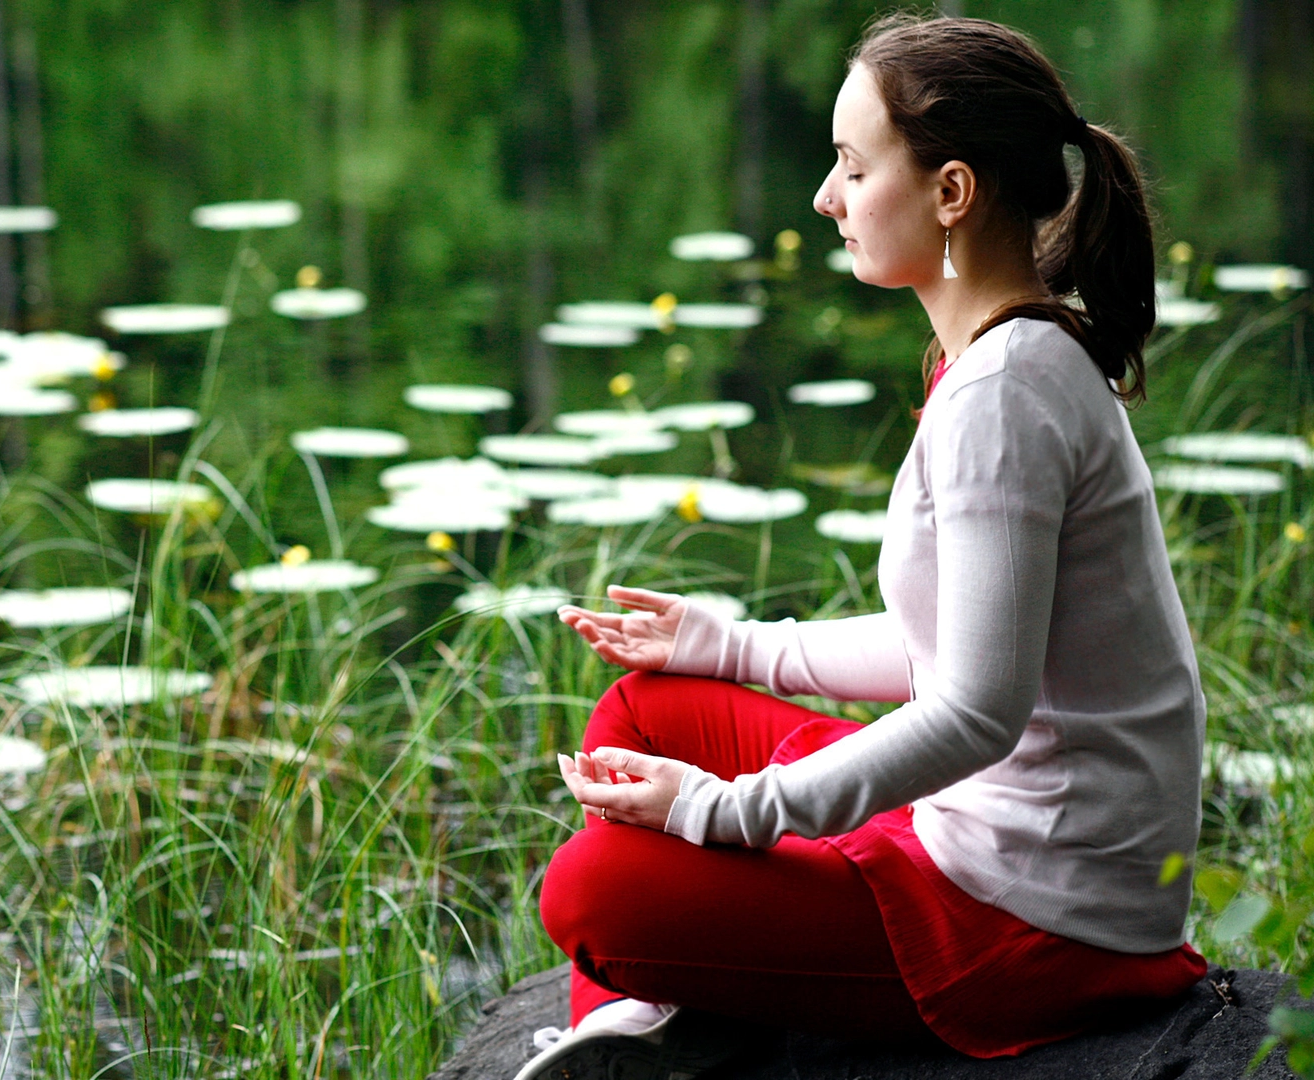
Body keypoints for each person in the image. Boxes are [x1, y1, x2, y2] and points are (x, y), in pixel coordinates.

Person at [515, 14, 1207, 1080]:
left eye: (852, 166)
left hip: (1037, 910)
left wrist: (725, 813)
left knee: (587, 891)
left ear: (952, 191)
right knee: (647, 710)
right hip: (982, 838)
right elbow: (951, 644)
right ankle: (654, 1026)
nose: (824, 199)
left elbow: (975, 712)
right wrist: (730, 645)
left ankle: (656, 1015)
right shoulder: (1006, 357)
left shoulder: (1008, 394)